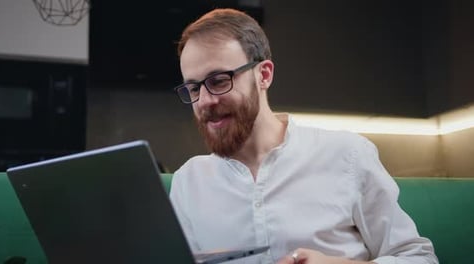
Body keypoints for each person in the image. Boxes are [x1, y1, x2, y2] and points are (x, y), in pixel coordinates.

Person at [169, 8, 438, 264]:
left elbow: (420, 258)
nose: (204, 101)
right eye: (193, 88)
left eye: (218, 81)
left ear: (263, 75)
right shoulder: (187, 183)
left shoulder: (347, 154)